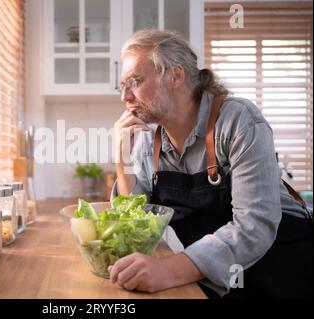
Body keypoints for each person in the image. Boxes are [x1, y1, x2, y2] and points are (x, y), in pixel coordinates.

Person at [109, 29, 312, 298]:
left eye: (134, 81)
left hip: (284, 271)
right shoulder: (149, 141)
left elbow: (254, 226)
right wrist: (121, 161)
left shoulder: (238, 120)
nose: (125, 96)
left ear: (176, 76)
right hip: (221, 278)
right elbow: (136, 226)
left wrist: (167, 270)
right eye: (122, 86)